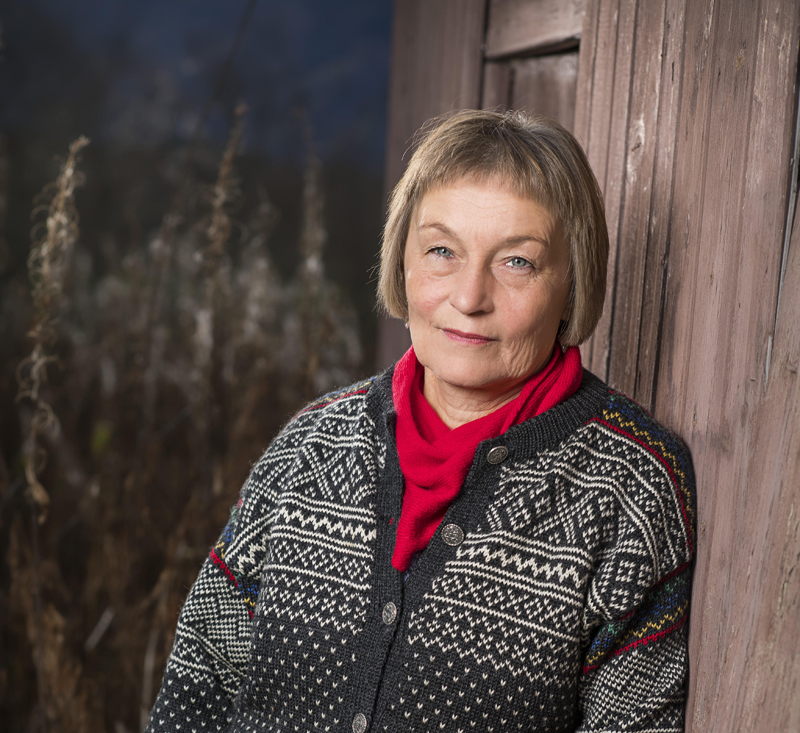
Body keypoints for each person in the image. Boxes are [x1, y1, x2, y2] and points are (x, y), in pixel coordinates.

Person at [146, 110, 696, 733]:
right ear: (402, 261)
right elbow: (199, 686)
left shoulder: (631, 485)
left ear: (572, 285)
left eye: (516, 262)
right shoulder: (312, 443)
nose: (468, 297)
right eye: (442, 251)